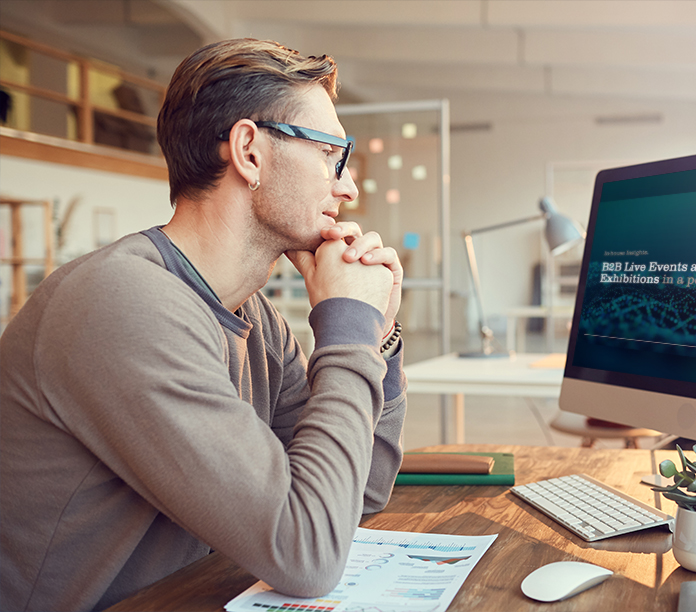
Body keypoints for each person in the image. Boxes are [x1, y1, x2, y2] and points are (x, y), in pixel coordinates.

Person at [0, 39, 407, 612]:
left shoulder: (253, 317)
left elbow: (356, 495)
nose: (348, 186)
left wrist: (377, 339)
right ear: (249, 151)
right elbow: (307, 554)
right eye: (330, 154)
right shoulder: (122, 303)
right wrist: (346, 326)